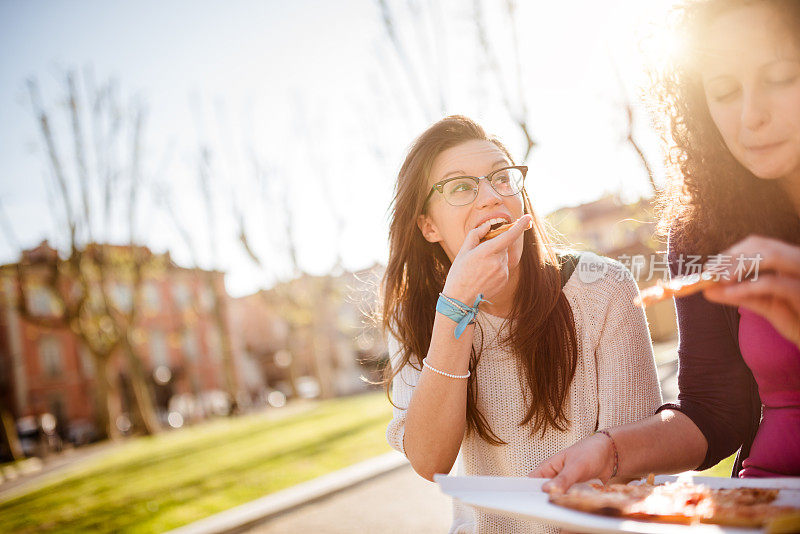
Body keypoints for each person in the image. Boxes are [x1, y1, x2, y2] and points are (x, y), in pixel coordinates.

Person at [531, 0, 800, 491]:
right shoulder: (705, 229)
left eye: (781, 77)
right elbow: (715, 411)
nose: (750, 115)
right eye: (723, 91)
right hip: (768, 496)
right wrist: (610, 449)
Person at [381, 115, 662, 533]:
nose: (492, 197)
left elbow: (633, 464)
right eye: (461, 187)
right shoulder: (415, 316)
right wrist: (457, 309)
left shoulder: (604, 289)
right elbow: (429, 460)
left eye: (502, 178)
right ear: (428, 226)